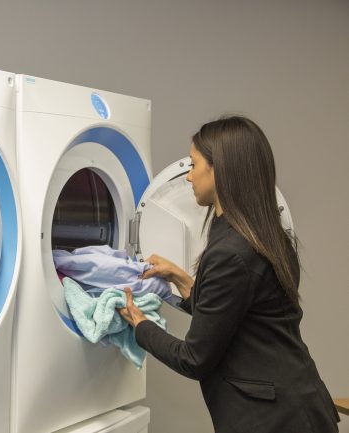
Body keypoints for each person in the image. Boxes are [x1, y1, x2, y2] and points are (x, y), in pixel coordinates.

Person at [118, 116, 340, 433]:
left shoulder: (230, 252)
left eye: (194, 165)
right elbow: (235, 313)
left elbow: (193, 359)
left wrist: (140, 324)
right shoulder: (265, 236)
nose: (188, 177)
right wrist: (180, 278)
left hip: (277, 419)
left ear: (219, 169)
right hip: (299, 404)